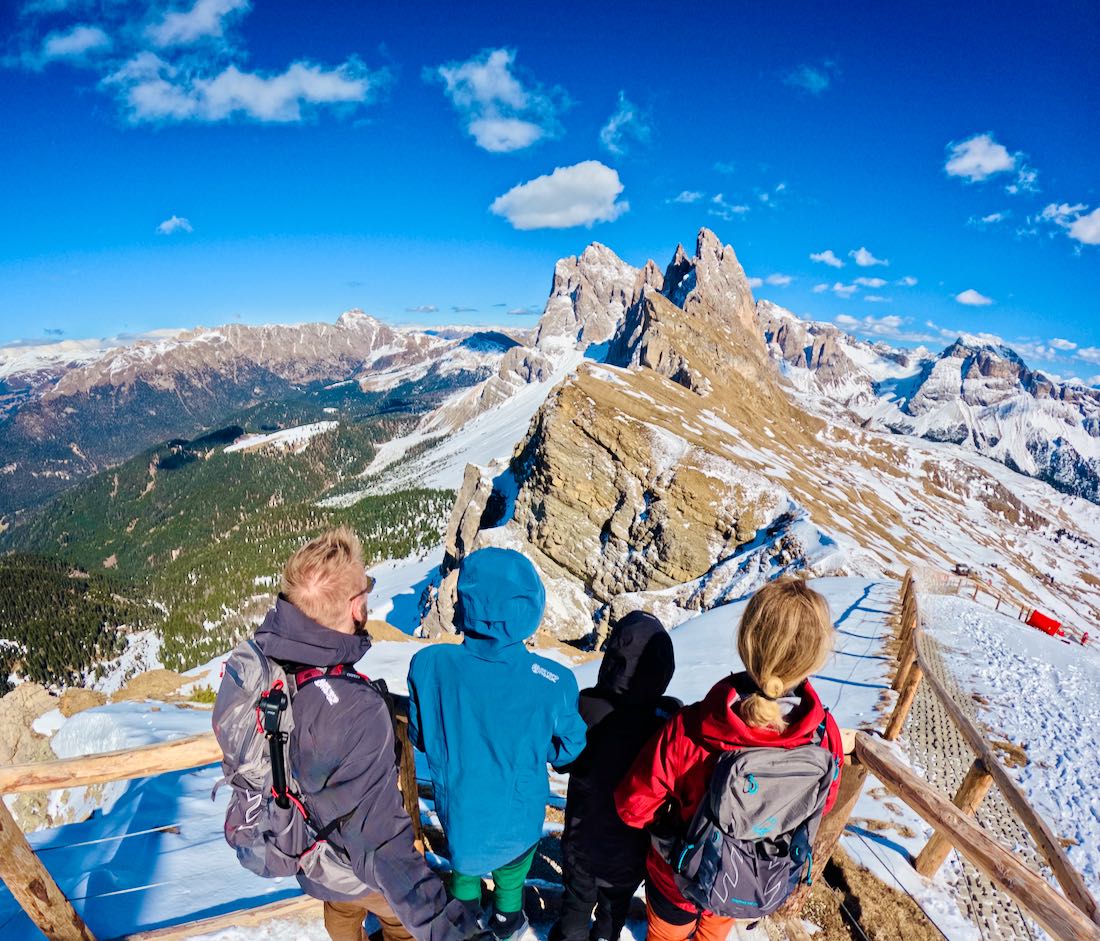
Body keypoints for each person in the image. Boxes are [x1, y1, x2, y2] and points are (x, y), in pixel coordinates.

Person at [252, 527, 481, 941]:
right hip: (352, 862)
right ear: (356, 606)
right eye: (367, 588)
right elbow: (383, 849)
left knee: (339, 913)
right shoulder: (356, 710)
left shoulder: (272, 663)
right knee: (395, 918)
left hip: (309, 851)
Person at [614, 577, 845, 941]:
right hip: (749, 882)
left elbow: (632, 806)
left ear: (747, 642)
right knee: (714, 930)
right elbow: (823, 801)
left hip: (678, 878)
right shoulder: (823, 735)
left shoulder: (691, 728)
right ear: (813, 658)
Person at [407, 547, 587, 941]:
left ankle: (465, 921)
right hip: (519, 815)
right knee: (511, 877)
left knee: (465, 868)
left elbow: (419, 736)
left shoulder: (429, 666)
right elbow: (572, 748)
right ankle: (508, 923)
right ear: (530, 609)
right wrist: (544, 752)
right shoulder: (552, 680)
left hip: (460, 811)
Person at [550, 611, 681, 941]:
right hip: (633, 848)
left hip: (583, 837)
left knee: (577, 902)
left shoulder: (586, 705)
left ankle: (569, 936)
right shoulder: (668, 719)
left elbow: (563, 763)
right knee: (615, 907)